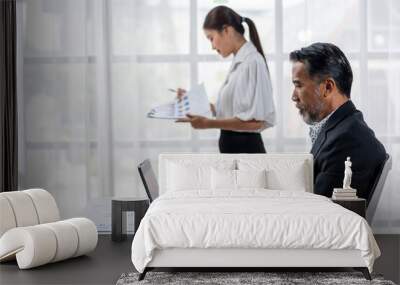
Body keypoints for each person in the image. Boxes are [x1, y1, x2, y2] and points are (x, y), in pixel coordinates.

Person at [289, 42, 386, 201]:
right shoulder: (345, 128)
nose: (293, 96)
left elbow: (319, 213)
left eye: (298, 85)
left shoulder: (346, 141)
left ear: (327, 87)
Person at [176, 5, 275, 153]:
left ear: (226, 30)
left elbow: (255, 122)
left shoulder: (252, 62)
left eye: (211, 38)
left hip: (246, 153)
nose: (212, 46)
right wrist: (193, 102)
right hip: (236, 152)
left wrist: (208, 123)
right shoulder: (240, 62)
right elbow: (234, 111)